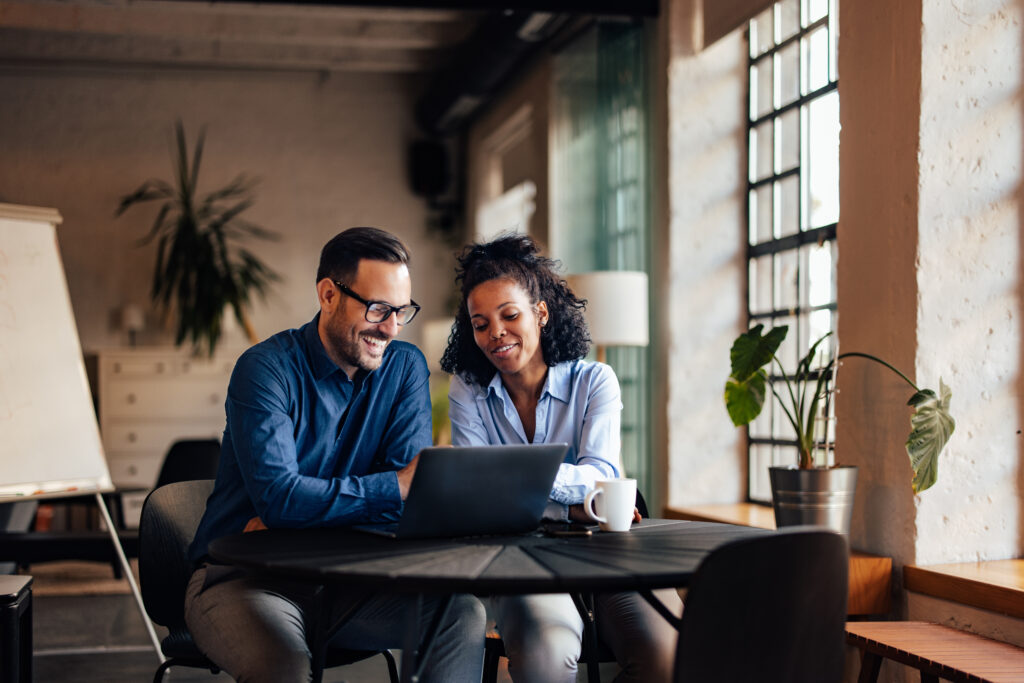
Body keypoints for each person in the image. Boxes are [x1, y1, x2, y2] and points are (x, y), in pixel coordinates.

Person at [185, 227, 486, 683]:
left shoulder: (402, 369)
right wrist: (393, 486)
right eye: (378, 308)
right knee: (281, 665)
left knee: (459, 614)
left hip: (346, 582)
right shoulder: (264, 370)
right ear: (328, 294)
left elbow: (404, 506)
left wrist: (294, 520)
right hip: (244, 578)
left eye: (401, 311)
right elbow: (283, 499)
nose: (390, 327)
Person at [440, 234, 683, 683]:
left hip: (609, 553)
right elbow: (479, 496)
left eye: (509, 315)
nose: (495, 333)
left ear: (541, 313)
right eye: (480, 323)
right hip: (521, 559)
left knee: (666, 651)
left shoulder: (596, 381)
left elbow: (602, 477)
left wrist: (525, 491)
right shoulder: (468, 390)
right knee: (547, 654)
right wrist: (573, 505)